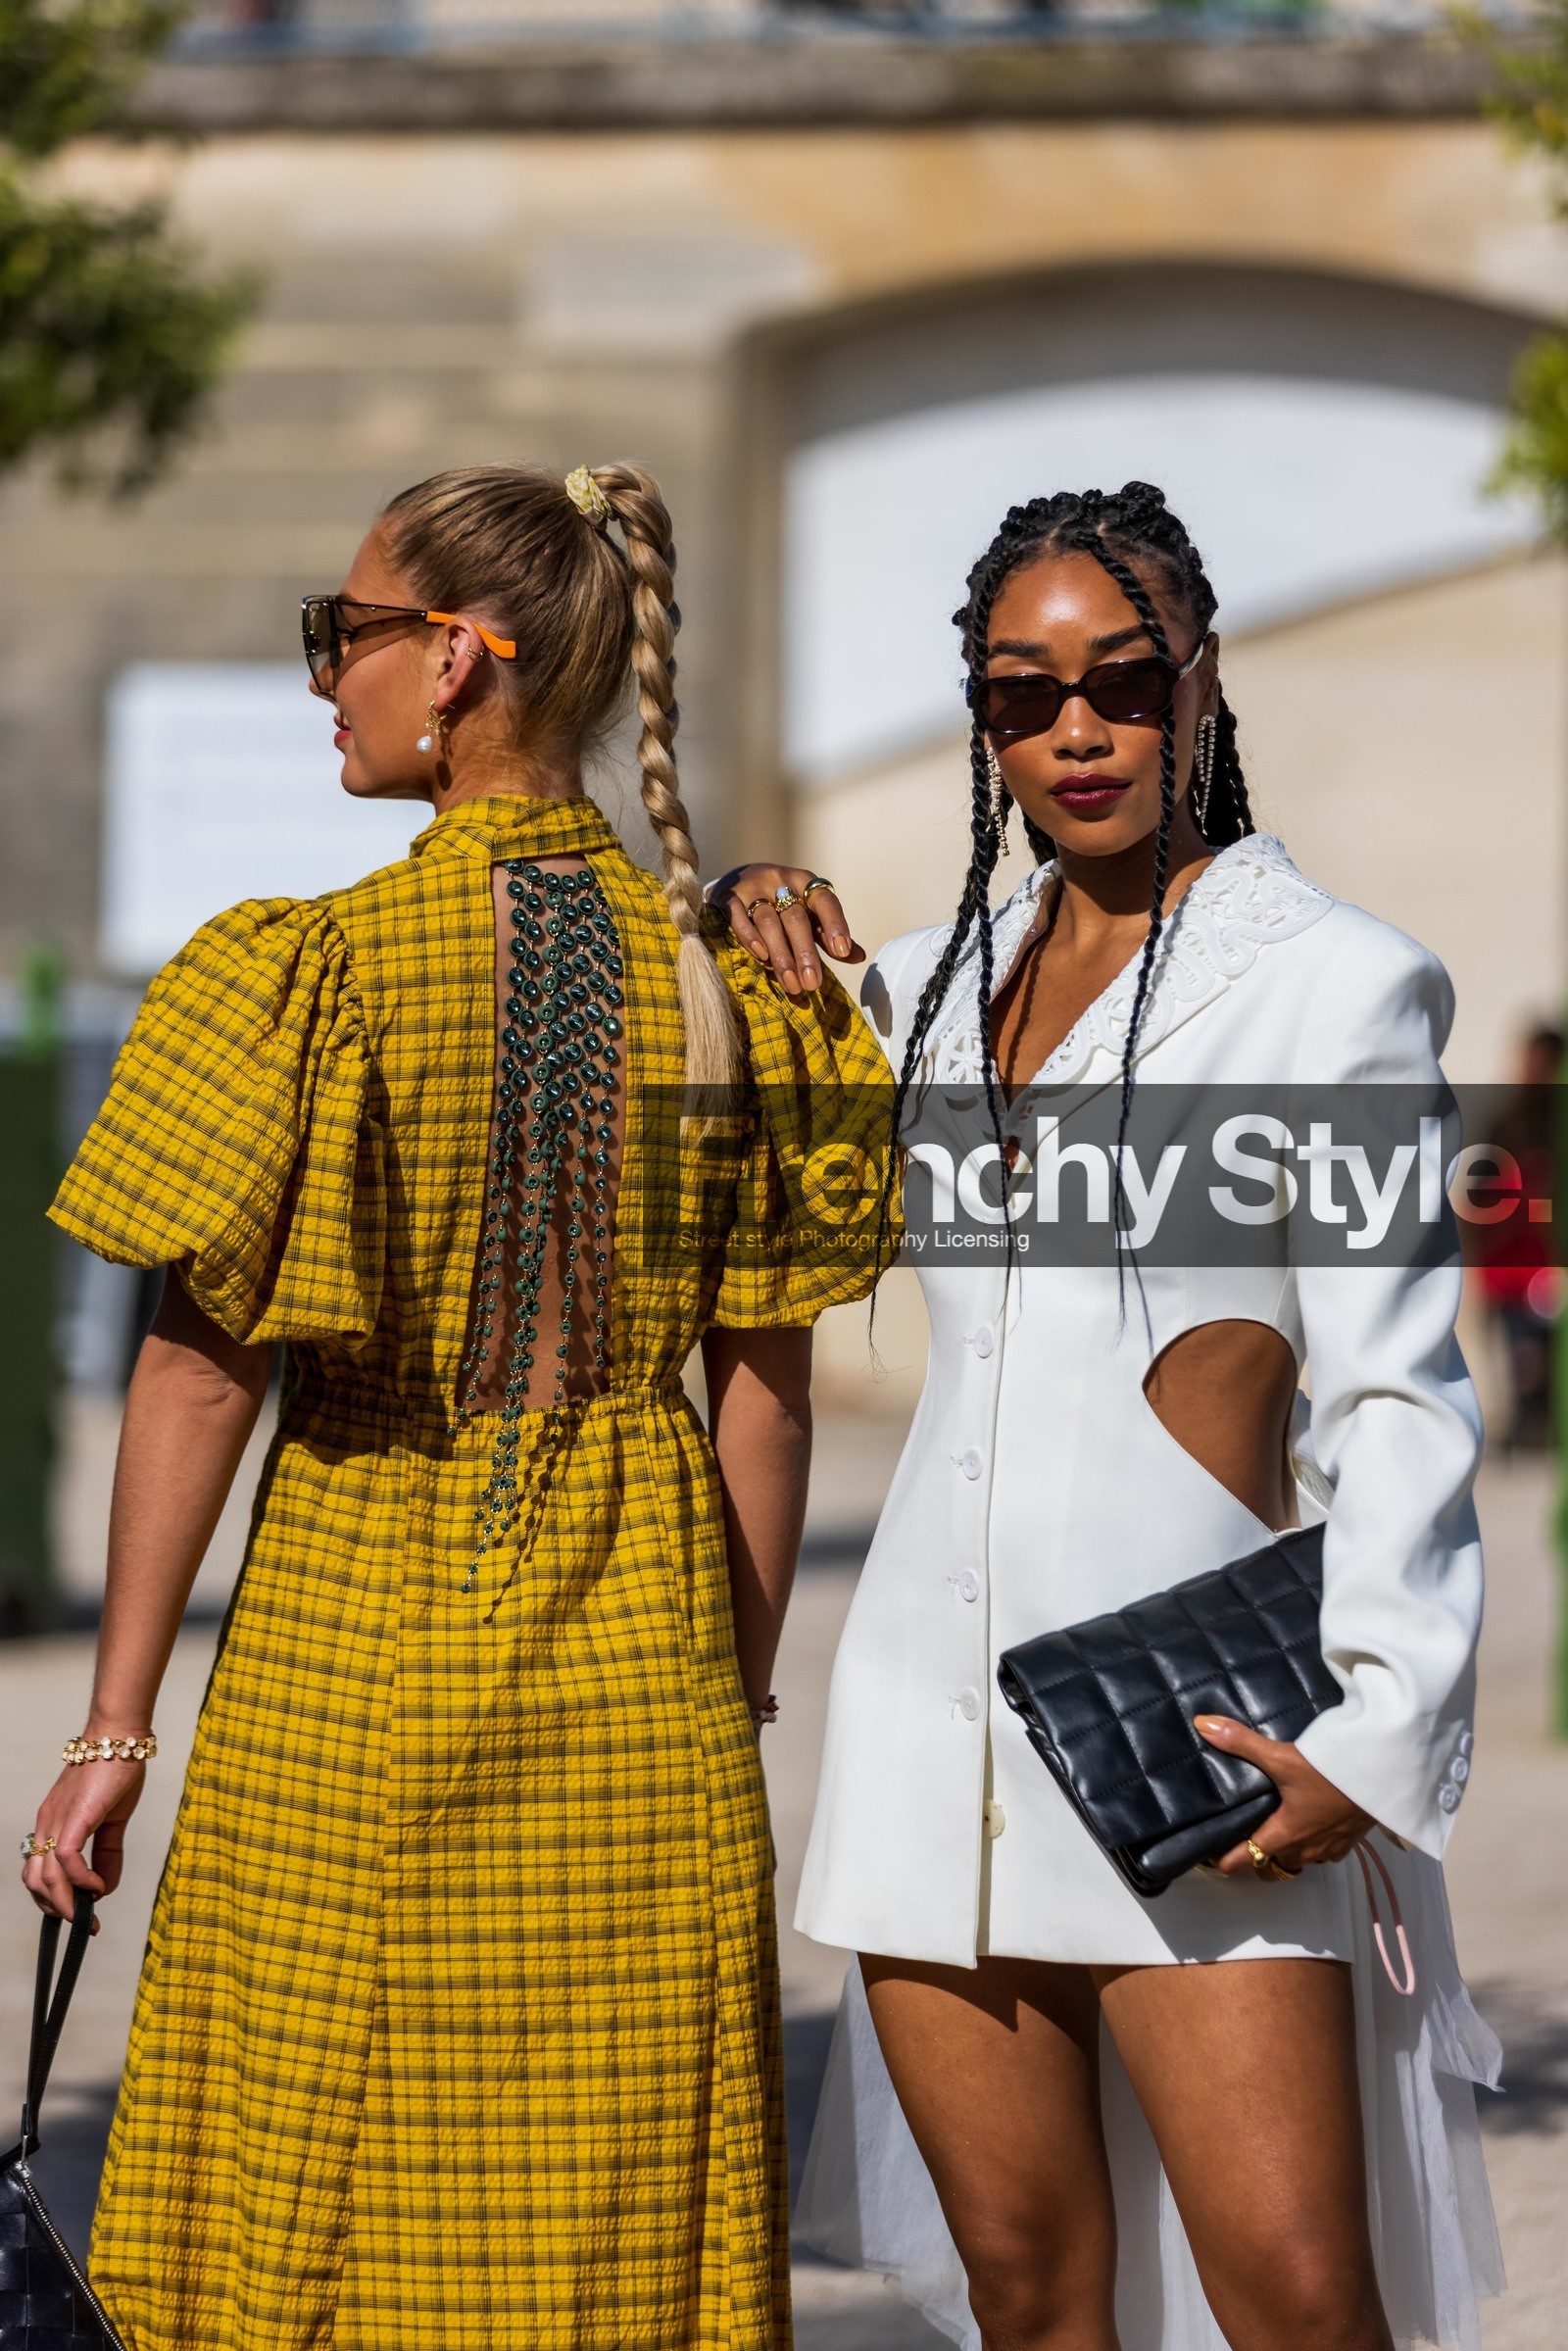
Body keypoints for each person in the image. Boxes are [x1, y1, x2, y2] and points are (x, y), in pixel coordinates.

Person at [22, 462, 889, 2351]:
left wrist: (111, 1731)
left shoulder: (304, 974)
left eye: (342, 633)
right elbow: (768, 1406)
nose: (321, 676)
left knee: (306, 2199)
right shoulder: (750, 991)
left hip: (347, 1647)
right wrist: (733, 1704)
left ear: (457, 659)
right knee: (612, 2222)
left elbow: (197, 1370)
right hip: (650, 1678)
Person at [713, 483, 1501, 2351]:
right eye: (1021, 695)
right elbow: (735, 1015)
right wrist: (736, 896)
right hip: (927, 1720)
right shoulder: (923, 991)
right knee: (1026, 2291)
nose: (1075, 730)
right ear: (983, 720)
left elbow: (1398, 1390)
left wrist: (1381, 1729)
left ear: (1201, 685)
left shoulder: (1335, 984)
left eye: (1122, 683)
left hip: (1196, 1740)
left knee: (1297, 2295)